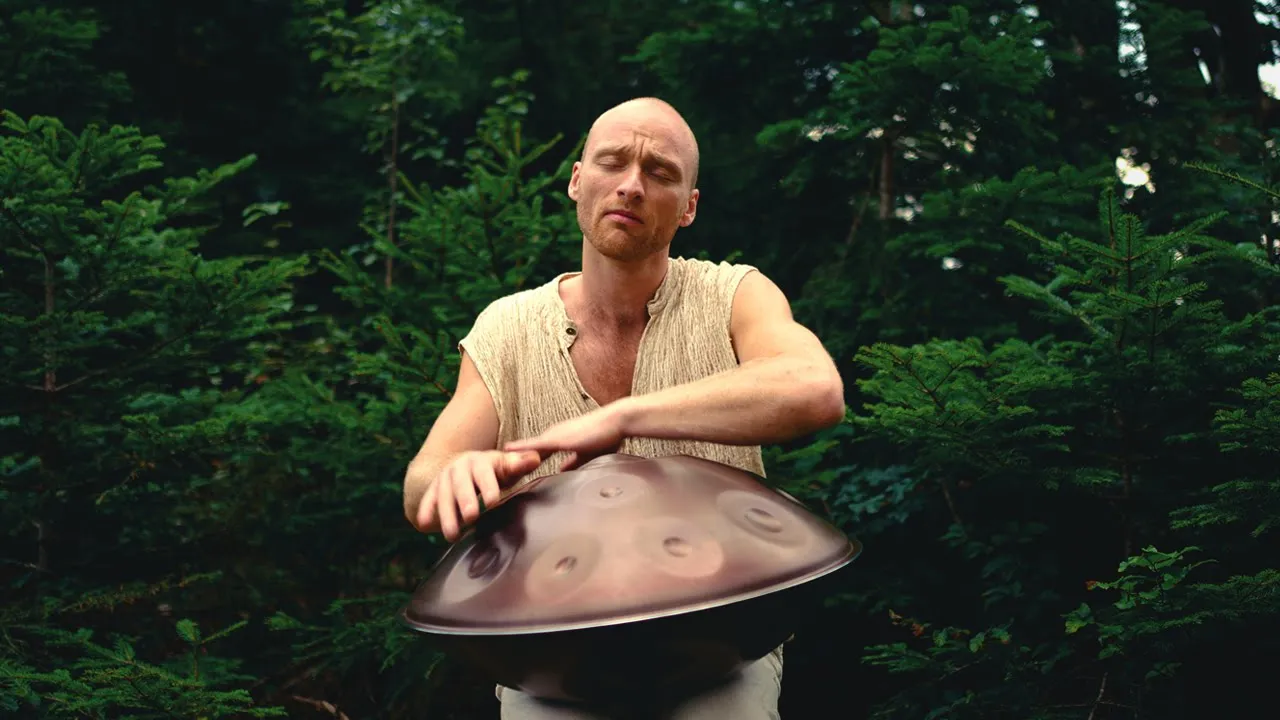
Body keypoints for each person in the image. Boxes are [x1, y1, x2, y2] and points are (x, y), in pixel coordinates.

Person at [402, 97, 845, 719]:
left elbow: (814, 388)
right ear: (577, 180)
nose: (632, 186)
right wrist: (454, 475)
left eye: (660, 172)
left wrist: (622, 416)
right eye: (613, 162)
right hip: (552, 647)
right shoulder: (506, 327)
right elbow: (422, 485)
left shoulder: (733, 294)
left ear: (689, 206)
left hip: (719, 637)